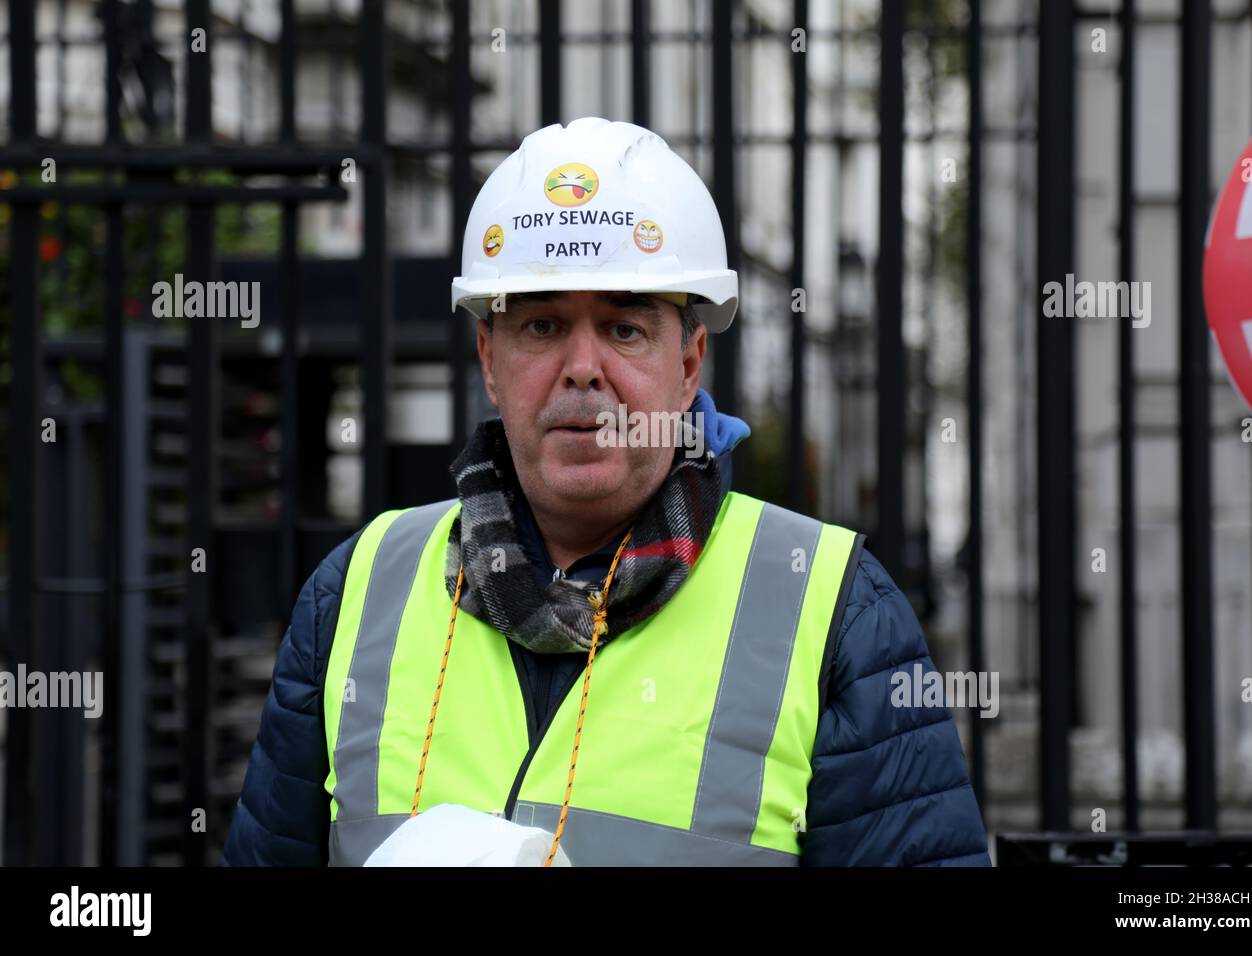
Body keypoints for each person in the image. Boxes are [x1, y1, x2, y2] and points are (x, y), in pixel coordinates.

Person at [223, 117, 990, 866]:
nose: (583, 367)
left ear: (689, 364)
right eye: (543, 327)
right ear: (490, 358)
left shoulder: (834, 611)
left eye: (625, 327)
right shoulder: (357, 592)